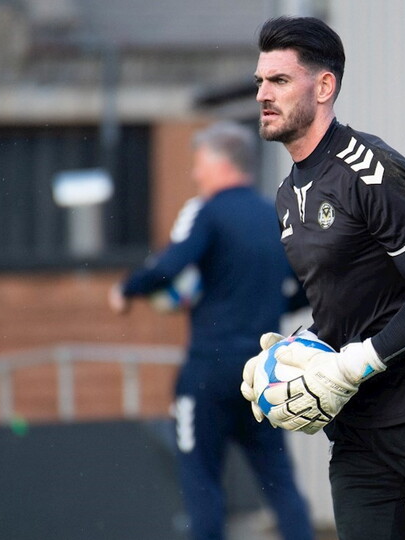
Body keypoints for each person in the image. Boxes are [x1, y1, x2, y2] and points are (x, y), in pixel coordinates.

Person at [240, 16, 405, 540]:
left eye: (280, 80)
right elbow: (351, 303)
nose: (263, 94)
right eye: (260, 81)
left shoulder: (371, 171)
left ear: (324, 87)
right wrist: (303, 348)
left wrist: (354, 363)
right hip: (360, 433)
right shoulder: (287, 196)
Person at [109, 121, 314, 540]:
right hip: (261, 375)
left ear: (222, 164)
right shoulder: (275, 216)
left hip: (208, 374)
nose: (195, 174)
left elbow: (169, 267)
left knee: (201, 483)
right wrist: (269, 304)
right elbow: (306, 289)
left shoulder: (209, 213)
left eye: (199, 164)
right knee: (280, 485)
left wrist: (126, 290)